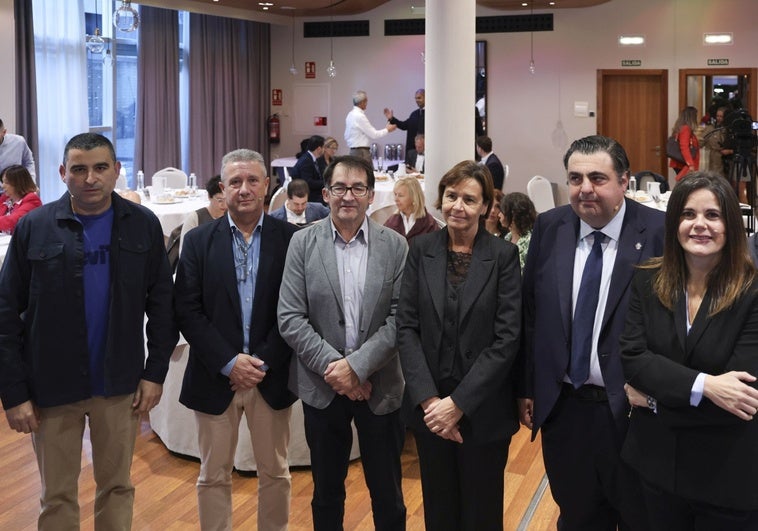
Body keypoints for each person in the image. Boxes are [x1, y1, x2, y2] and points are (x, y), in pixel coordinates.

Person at [0, 132, 177, 530]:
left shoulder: (143, 226)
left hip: (119, 386)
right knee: (57, 496)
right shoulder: (35, 227)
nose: (90, 178)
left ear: (117, 171)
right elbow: (6, 313)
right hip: (51, 386)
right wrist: (14, 393)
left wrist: (155, 373)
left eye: (100, 168)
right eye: (78, 169)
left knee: (116, 487)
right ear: (63, 173)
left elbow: (162, 305)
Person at [518, 135, 665, 531]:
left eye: (598, 178)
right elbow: (531, 314)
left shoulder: (657, 232)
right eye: (575, 178)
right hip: (566, 411)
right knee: (579, 517)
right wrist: (528, 387)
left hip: (633, 415)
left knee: (640, 517)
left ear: (624, 182)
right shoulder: (550, 227)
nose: (585, 189)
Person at [620, 172, 758, 530]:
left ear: (730, 224)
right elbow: (633, 359)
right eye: (687, 214)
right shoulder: (647, 280)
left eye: (712, 215)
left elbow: (742, 398)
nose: (700, 225)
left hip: (727, 477)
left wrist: (652, 401)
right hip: (657, 468)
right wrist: (707, 386)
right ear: (673, 223)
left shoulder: (753, 293)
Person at [278, 155, 408, 530]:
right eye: (339, 188)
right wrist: (339, 371)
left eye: (357, 188)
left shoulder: (395, 246)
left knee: (388, 495)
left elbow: (400, 319)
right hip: (322, 387)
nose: (347, 196)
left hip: (380, 387)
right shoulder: (302, 244)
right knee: (327, 493)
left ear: (370, 195)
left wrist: (358, 368)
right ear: (325, 193)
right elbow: (290, 317)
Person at [175, 149, 297, 531]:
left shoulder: (293, 239)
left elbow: (296, 310)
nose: (244, 189)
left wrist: (260, 362)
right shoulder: (196, 241)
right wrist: (230, 362)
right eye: (234, 182)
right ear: (221, 189)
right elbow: (188, 311)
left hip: (270, 376)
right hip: (216, 376)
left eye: (252, 181)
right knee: (212, 475)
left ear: (267, 186)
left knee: (275, 473)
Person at [396, 160, 521, 531]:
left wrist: (459, 404)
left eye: (469, 199)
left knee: (482, 515)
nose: (458, 207)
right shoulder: (420, 250)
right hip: (430, 410)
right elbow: (406, 327)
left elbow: (507, 338)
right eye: (451, 196)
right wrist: (430, 402)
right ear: (440, 199)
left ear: (486, 207)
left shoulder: (503, 257)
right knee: (439, 511)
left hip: (483, 410)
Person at [344, 90, 397, 162]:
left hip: (353, 151)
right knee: (367, 173)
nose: (366, 104)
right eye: (366, 101)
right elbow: (374, 134)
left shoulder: (350, 115)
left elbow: (346, 136)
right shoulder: (359, 116)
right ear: (362, 102)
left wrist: (387, 126)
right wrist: (387, 130)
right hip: (361, 153)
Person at [179, 175, 228, 251]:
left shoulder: (232, 216)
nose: (224, 205)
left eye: (227, 200)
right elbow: (184, 252)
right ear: (209, 196)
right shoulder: (195, 218)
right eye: (220, 200)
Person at [383, 176, 439, 241]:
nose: (396, 199)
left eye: (400, 195)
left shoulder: (430, 224)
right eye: (395, 194)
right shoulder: (391, 221)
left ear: (414, 197)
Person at [499, 191, 537, 270]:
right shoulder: (507, 237)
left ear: (513, 213)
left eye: (502, 211)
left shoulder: (530, 241)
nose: (499, 215)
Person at [0, 164, 42, 234]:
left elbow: (12, 221)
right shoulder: (5, 198)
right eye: (3, 182)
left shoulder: (32, 199)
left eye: (7, 182)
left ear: (18, 183)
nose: (3, 186)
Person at [384, 88, 425, 155]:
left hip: (425, 152)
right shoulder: (414, 114)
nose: (417, 100)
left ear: (426, 97)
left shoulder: (430, 115)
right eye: (416, 98)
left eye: (419, 98)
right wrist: (392, 119)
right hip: (412, 151)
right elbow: (403, 125)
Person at [290, 135, 326, 204]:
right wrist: (325, 183)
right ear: (319, 148)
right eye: (323, 147)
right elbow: (308, 182)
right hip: (306, 194)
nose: (324, 150)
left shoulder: (310, 158)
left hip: (311, 191)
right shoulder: (306, 161)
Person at [669, 106, 700, 182]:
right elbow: (684, 147)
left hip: (682, 163)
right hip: (684, 164)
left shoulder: (682, 128)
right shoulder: (686, 129)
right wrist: (690, 164)